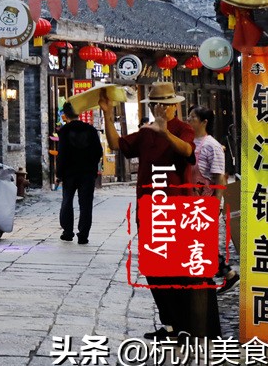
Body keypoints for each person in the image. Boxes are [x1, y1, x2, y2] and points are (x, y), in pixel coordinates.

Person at [102, 81, 216, 340]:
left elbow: (188, 152)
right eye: (155, 104)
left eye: (164, 104)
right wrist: (108, 115)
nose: (159, 109)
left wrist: (165, 133)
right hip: (149, 207)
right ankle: (170, 323)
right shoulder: (145, 132)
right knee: (153, 267)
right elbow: (116, 145)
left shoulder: (183, 129)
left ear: (174, 105)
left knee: (177, 267)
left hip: (176, 206)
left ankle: (186, 325)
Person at [188, 105, 240, 293]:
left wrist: (216, 203)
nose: (189, 120)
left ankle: (225, 275)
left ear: (204, 122)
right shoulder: (189, 142)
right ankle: (220, 275)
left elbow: (219, 177)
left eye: (193, 117)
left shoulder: (212, 145)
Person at [55, 102, 102, 244]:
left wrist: (59, 174)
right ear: (78, 113)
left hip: (69, 173)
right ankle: (83, 235)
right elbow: (98, 152)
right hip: (87, 173)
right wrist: (92, 166)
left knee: (67, 201)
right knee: (86, 204)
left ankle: (68, 232)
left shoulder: (64, 131)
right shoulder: (91, 130)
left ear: (66, 115)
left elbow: (62, 154)